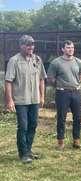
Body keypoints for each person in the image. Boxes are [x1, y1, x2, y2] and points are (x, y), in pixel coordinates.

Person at [5, 35, 46, 163]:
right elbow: (8, 81)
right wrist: (10, 100)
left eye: (32, 44)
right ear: (21, 46)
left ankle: (28, 150)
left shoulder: (37, 60)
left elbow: (41, 79)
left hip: (34, 99)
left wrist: (42, 96)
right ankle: (23, 154)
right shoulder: (14, 60)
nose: (30, 47)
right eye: (27, 45)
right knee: (23, 126)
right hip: (21, 100)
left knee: (33, 125)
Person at [47, 40, 81, 150]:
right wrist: (59, 85)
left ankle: (76, 141)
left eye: (72, 47)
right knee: (61, 118)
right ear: (63, 49)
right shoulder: (56, 62)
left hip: (76, 92)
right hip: (62, 93)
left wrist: (78, 82)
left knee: (78, 117)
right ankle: (60, 143)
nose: (71, 49)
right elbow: (50, 78)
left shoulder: (78, 61)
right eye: (68, 48)